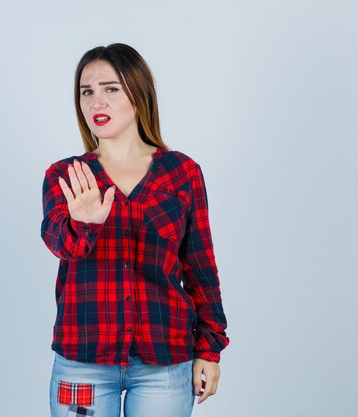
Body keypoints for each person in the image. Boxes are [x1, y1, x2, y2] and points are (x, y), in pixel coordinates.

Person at [40, 43, 229, 417]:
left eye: (111, 89)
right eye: (87, 92)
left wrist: (210, 350)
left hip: (164, 364)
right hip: (84, 362)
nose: (97, 102)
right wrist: (84, 223)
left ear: (138, 93)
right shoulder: (65, 175)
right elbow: (60, 243)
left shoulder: (182, 172)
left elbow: (200, 266)